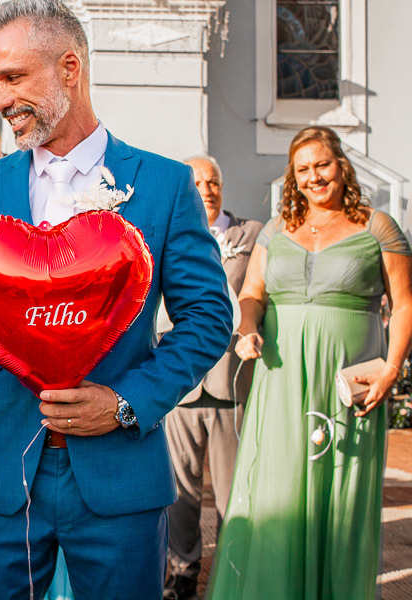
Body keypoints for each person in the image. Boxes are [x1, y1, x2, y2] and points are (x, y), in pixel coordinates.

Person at [0, 1, 233, 598]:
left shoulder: (164, 184)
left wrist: (126, 401)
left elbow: (208, 317)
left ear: (69, 68)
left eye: (14, 78)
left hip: (120, 474)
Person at [208, 126, 412, 600]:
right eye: (302, 170)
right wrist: (247, 329)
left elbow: (406, 304)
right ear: (293, 177)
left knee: (339, 495)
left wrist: (391, 368)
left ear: (341, 166)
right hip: (281, 380)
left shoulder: (377, 227)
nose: (313, 177)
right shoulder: (277, 230)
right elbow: (253, 294)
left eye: (322, 165)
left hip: (349, 383)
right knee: (276, 490)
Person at [163, 155, 262, 600]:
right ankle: (182, 570)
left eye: (214, 180)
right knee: (179, 492)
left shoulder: (251, 235)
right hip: (180, 387)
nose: (206, 187)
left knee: (229, 491)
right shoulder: (166, 230)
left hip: (230, 381)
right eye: (198, 180)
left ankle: (231, 571)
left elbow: (257, 297)